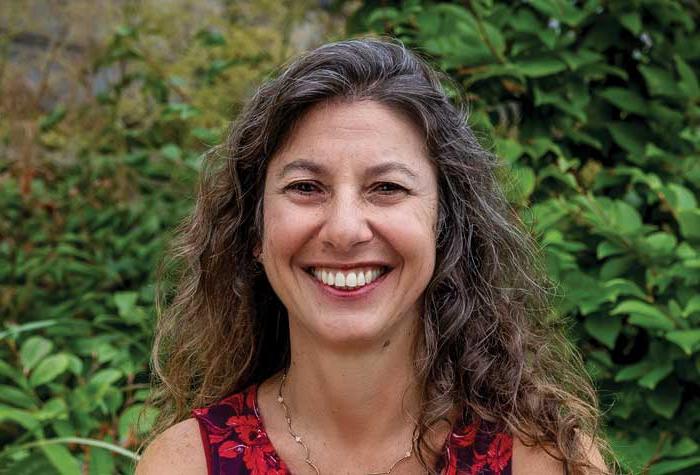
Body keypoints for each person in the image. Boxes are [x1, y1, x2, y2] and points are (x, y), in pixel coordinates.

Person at [136, 37, 610, 474]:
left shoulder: (544, 462)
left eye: (387, 187)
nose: (344, 230)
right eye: (305, 187)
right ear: (254, 231)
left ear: (445, 228)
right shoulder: (185, 463)